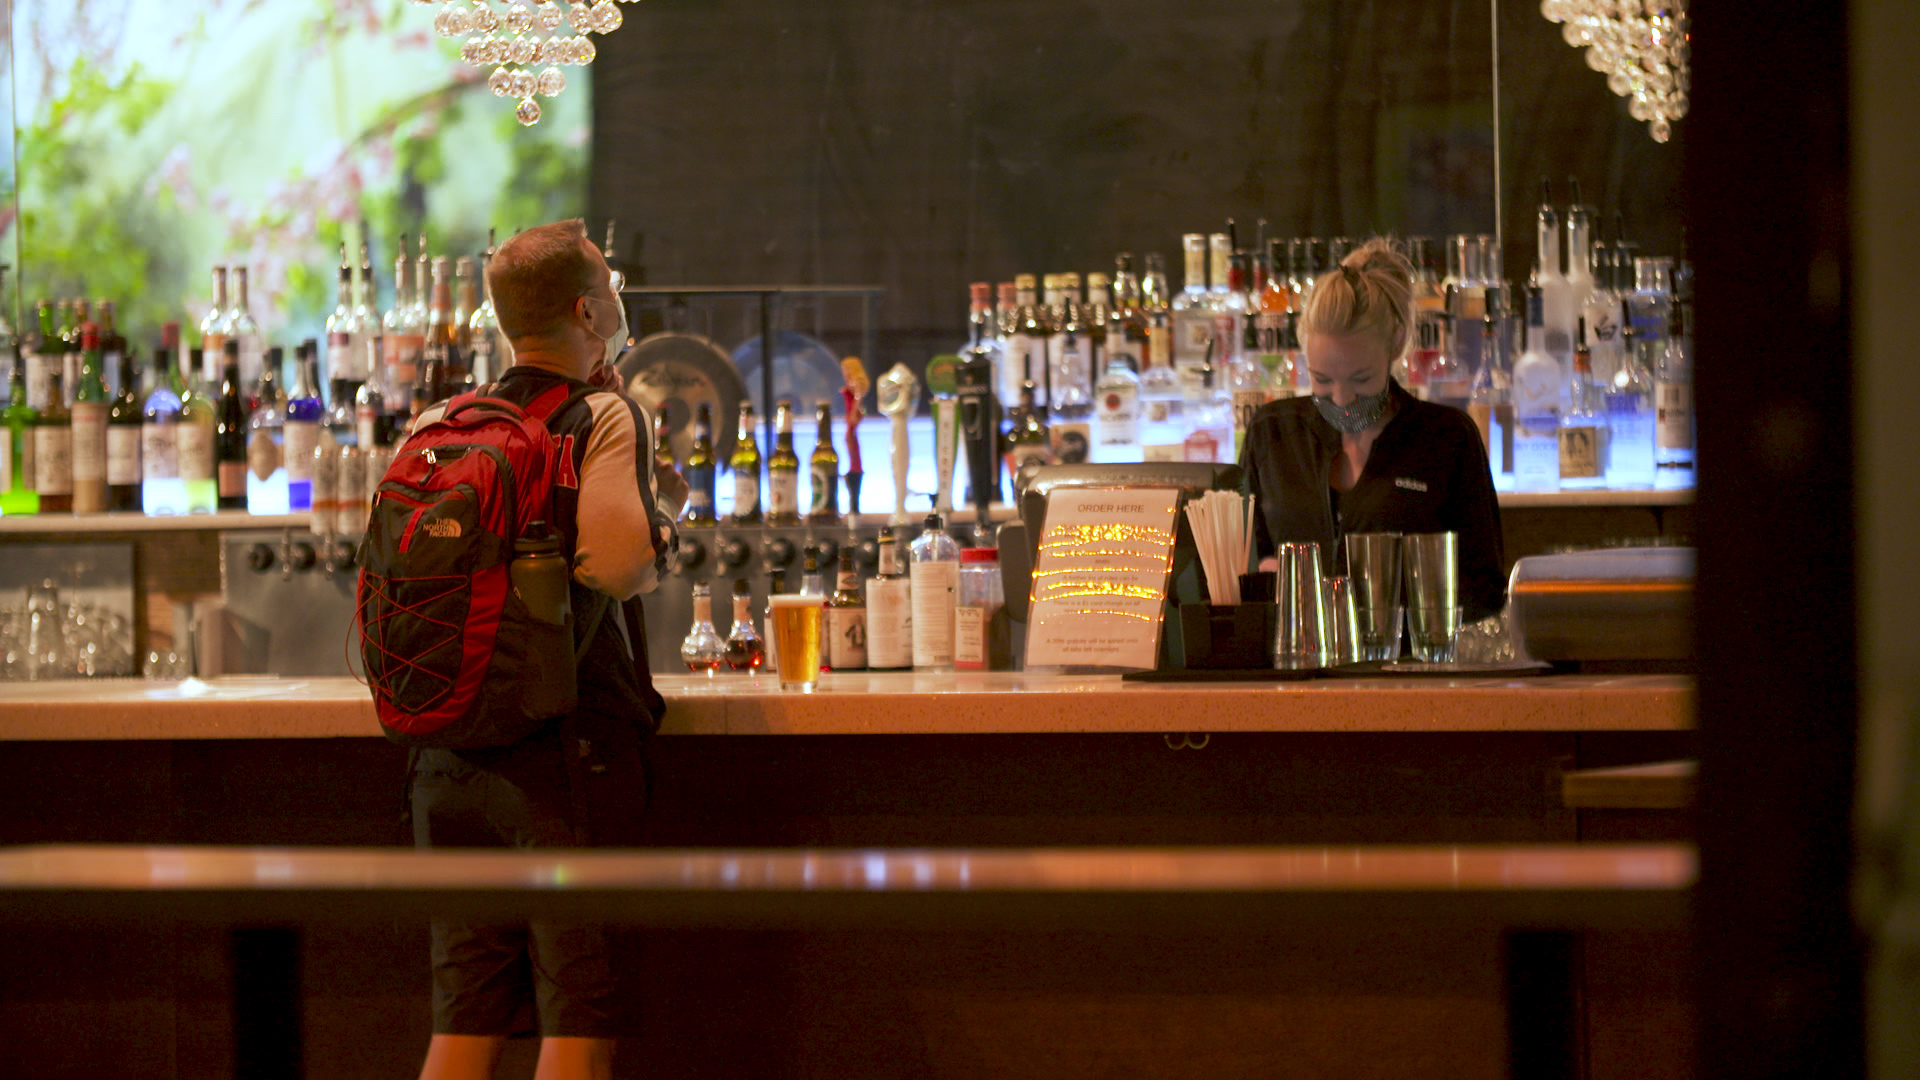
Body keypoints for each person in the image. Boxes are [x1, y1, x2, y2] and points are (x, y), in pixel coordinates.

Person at [407, 219, 688, 1080]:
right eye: (613, 289)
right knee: (577, 1028)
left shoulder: (442, 418)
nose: (619, 301)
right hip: (565, 761)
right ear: (588, 311)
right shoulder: (602, 414)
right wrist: (666, 519)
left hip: (447, 758)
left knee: (465, 1025)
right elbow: (618, 561)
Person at [1239, 238, 1506, 623]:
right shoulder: (1272, 433)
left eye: (1361, 379)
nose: (1343, 398)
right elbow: (1238, 565)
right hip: (1296, 669)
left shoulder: (1446, 438)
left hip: (1408, 670)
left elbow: (1484, 590)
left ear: (1395, 344)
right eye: (1322, 380)